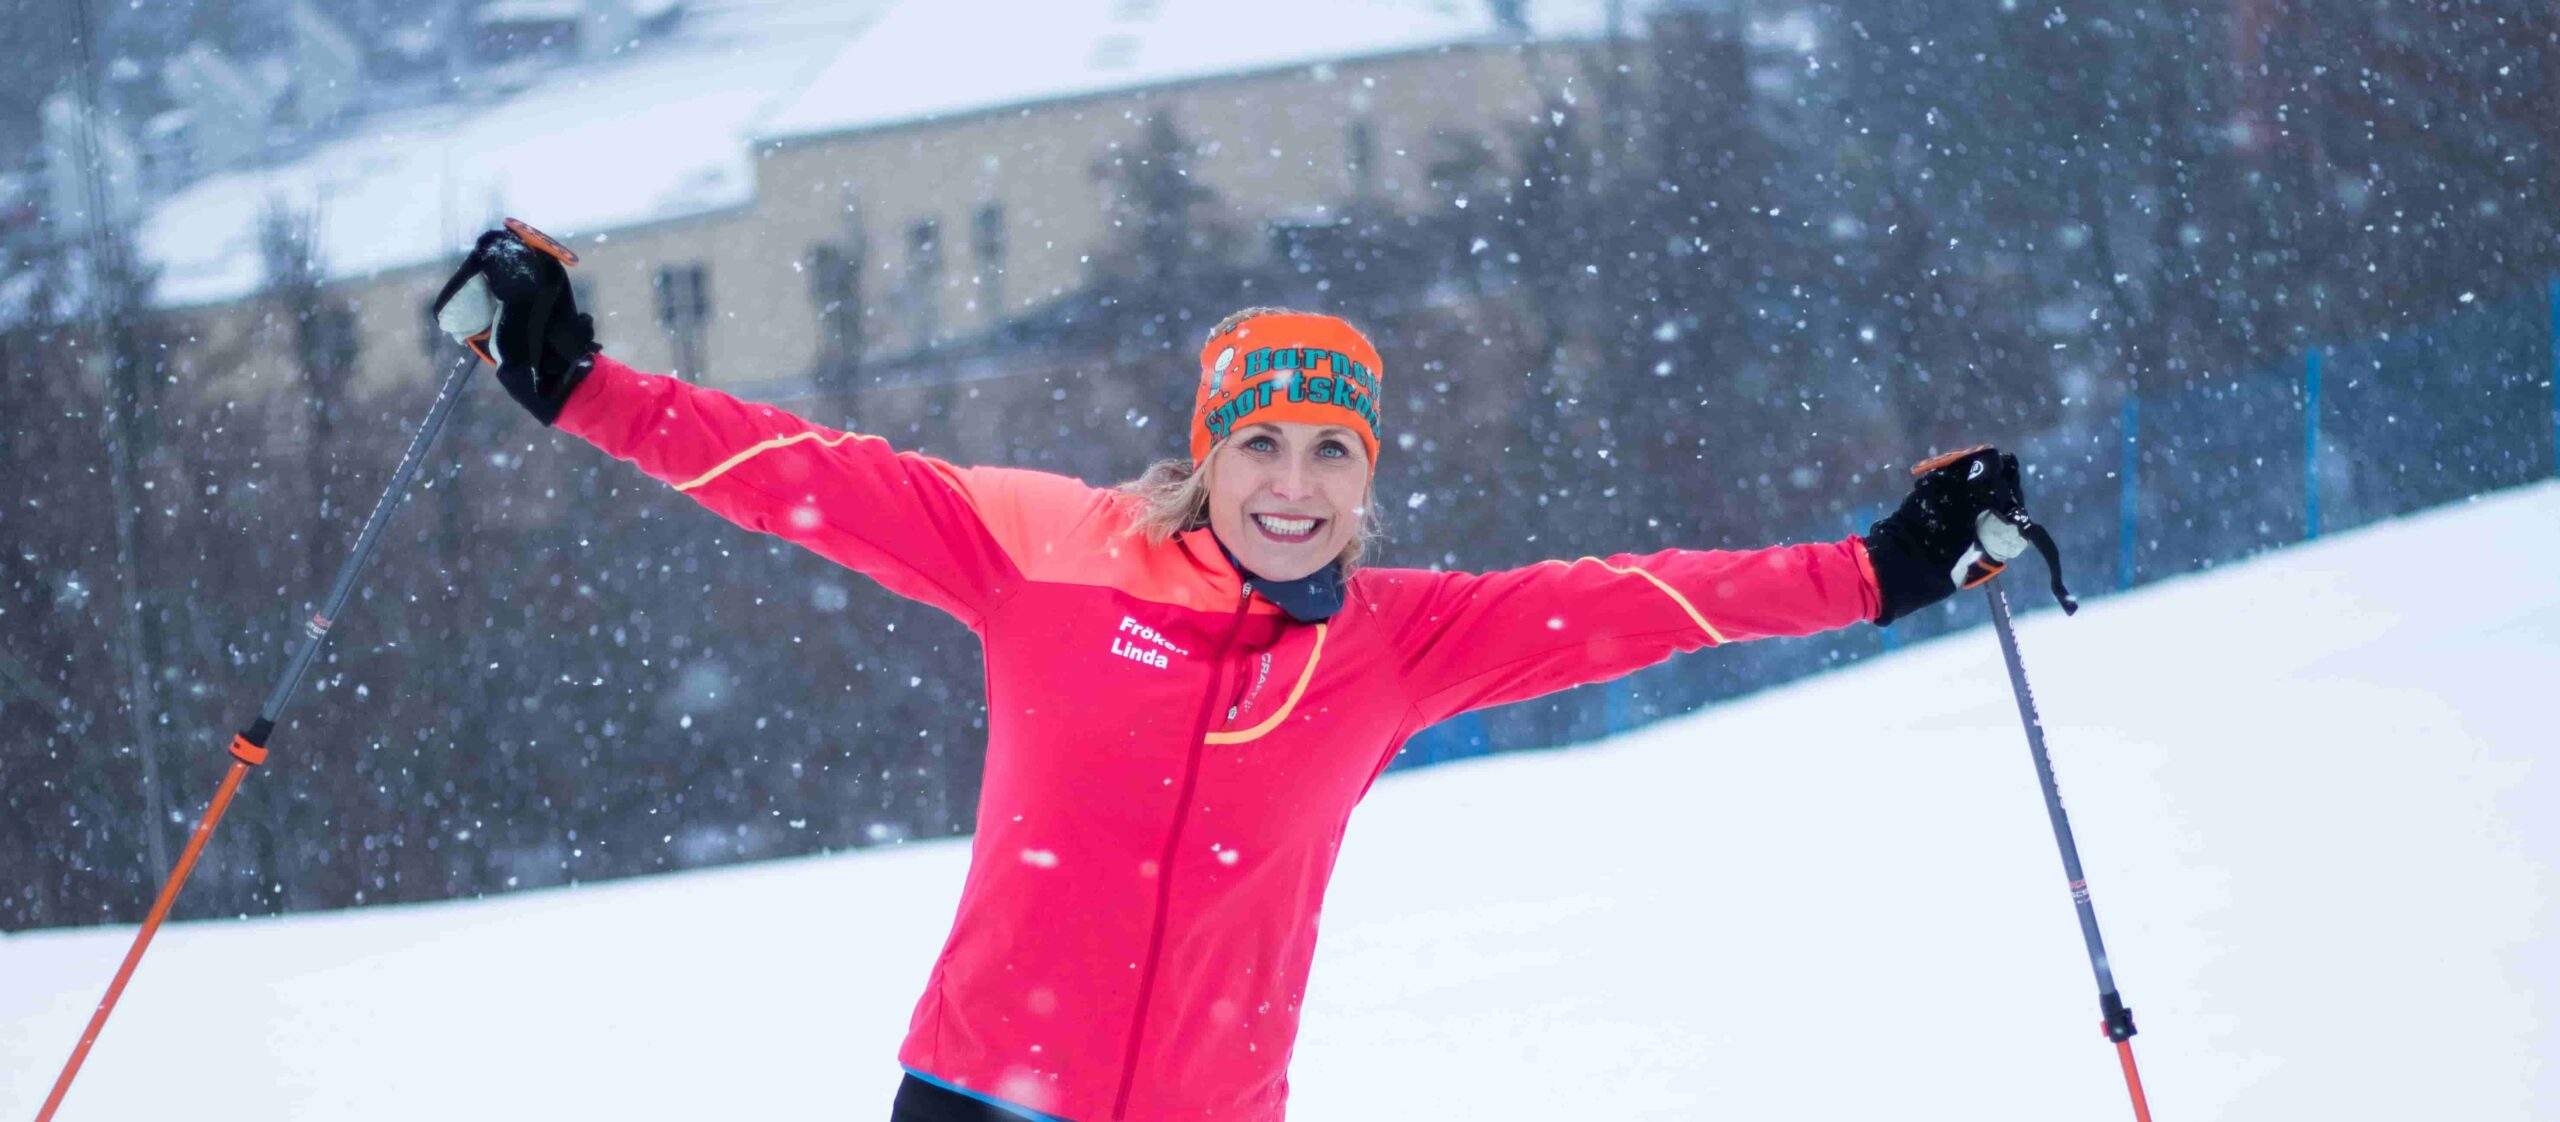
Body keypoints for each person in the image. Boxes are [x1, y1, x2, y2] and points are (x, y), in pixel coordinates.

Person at [433, 226, 2056, 1122]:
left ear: (1370, 477)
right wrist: (575, 383)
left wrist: (1888, 565)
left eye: (1333, 450)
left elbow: (1644, 604)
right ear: (1208, 455)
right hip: (983, 1097)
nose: (1295, 480)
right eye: (1261, 441)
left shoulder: (1400, 641)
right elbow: (803, 469)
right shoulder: (1046, 550)